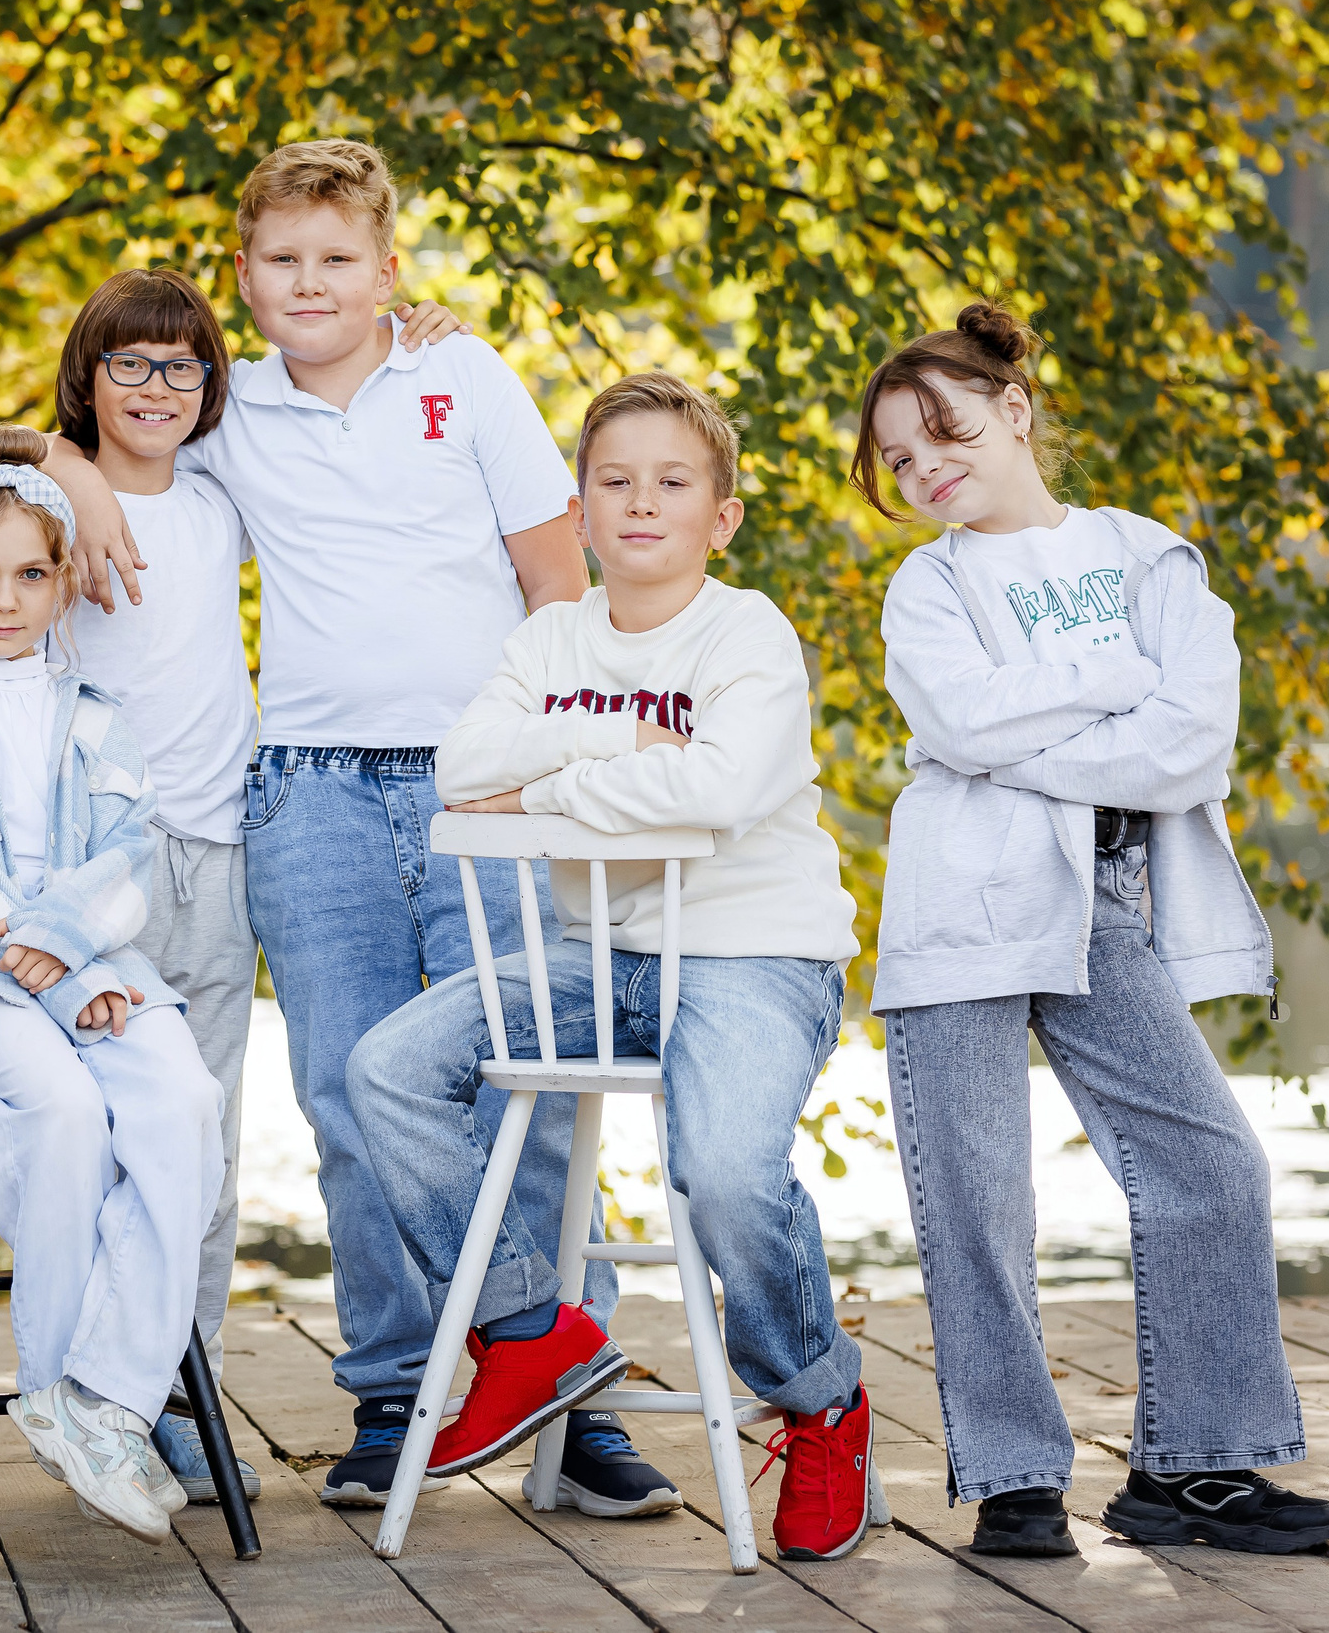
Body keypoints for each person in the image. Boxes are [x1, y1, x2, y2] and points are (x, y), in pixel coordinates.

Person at [49, 139, 683, 1513]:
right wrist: (67, 470)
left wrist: (543, 766)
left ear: (388, 269)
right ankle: (397, 1388)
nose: (309, 282)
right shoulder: (228, 411)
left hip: (481, 789)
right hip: (308, 790)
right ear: (244, 275)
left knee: (528, 1079)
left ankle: (569, 1396)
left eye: (338, 258)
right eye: (282, 259)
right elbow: (86, 431)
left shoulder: (466, 376)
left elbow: (555, 583)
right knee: (345, 1092)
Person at [344, 373, 878, 1559]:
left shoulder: (746, 633)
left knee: (723, 1169)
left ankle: (818, 1400)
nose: (642, 502)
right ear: (578, 513)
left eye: (671, 483)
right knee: (386, 1069)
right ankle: (530, 1328)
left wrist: (543, 790)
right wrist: (613, 741)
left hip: (752, 951)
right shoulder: (550, 639)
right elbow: (458, 770)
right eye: (615, 482)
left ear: (719, 518)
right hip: (599, 956)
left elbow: (719, 789)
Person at [861, 301, 1329, 1557]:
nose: (925, 472)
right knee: (976, 1198)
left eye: (945, 435)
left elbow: (1186, 749)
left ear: (1014, 410)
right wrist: (1113, 681)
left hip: (1105, 901)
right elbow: (958, 723)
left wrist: (1013, 745)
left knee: (1211, 1166)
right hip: (961, 902)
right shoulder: (928, 583)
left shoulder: (1147, 557)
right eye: (900, 462)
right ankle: (1016, 1478)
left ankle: (1191, 1469)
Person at [0, 426, 225, 1547]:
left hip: (93, 961)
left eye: (31, 573)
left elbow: (128, 857)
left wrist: (76, 960)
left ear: (66, 582)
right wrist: (60, 978)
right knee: (64, 1109)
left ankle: (104, 1396)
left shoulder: (99, 716)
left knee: (183, 1100)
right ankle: (52, 1373)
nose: (6, 599)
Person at [47, 267, 267, 1503]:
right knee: (98, 1140)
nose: (154, 385)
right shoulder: (40, 496)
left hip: (218, 853)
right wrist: (67, 469)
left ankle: (186, 1393)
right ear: (86, 378)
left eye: (180, 365)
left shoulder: (221, 496)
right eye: (126, 362)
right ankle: (91, 1392)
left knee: (207, 1147)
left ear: (208, 386)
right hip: (93, 865)